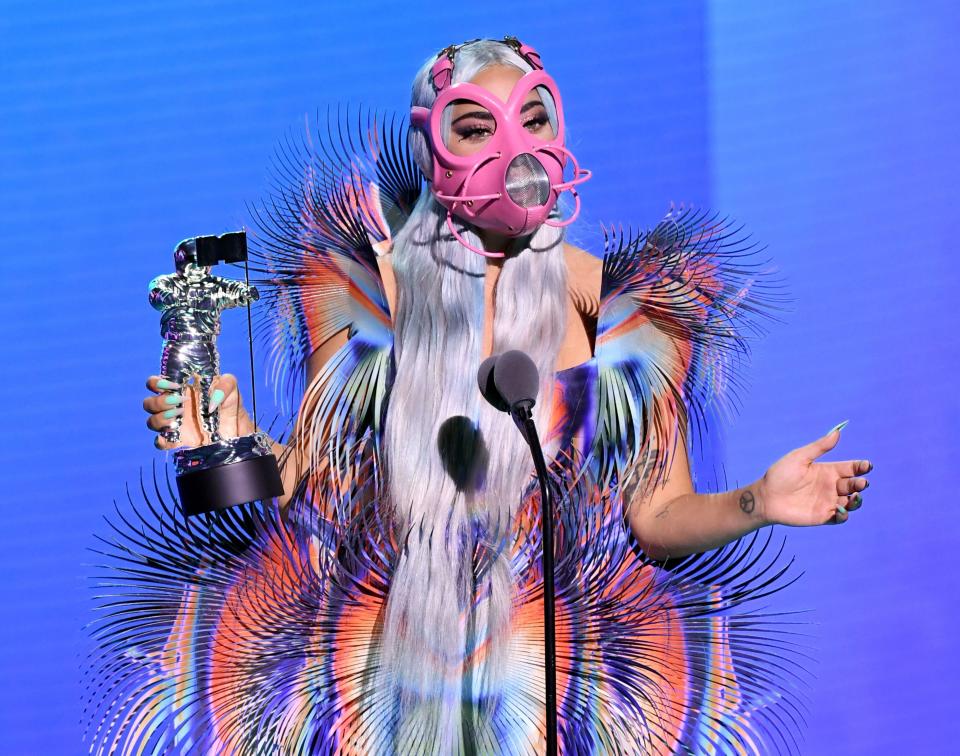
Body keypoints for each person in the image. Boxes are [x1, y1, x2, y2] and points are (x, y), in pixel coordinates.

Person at [89, 37, 872, 754]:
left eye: (534, 119)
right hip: (385, 693)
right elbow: (309, 485)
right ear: (433, 149)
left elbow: (656, 517)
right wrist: (230, 438)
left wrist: (758, 503)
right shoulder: (372, 292)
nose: (517, 150)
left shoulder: (629, 307)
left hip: (549, 697)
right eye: (477, 128)